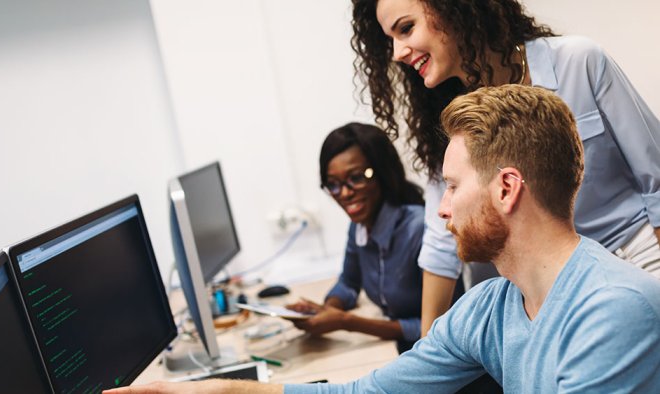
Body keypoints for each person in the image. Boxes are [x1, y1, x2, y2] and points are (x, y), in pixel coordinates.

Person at [104, 85, 660, 394]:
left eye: (454, 186)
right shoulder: (491, 307)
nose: (440, 207)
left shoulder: (614, 310)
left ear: (507, 189)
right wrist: (214, 393)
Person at [351, 0, 660, 338]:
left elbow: (655, 181)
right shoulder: (448, 119)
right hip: (553, 293)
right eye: (389, 39)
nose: (397, 52)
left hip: (634, 259)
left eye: (406, 28)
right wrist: (427, 353)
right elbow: (441, 245)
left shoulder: (578, 61)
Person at [286, 122, 450, 354]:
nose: (344, 193)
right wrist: (327, 309)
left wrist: (346, 322)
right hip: (400, 351)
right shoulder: (360, 226)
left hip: (435, 354)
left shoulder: (420, 231)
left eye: (356, 177)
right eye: (332, 184)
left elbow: (438, 327)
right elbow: (348, 283)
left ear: (383, 173)